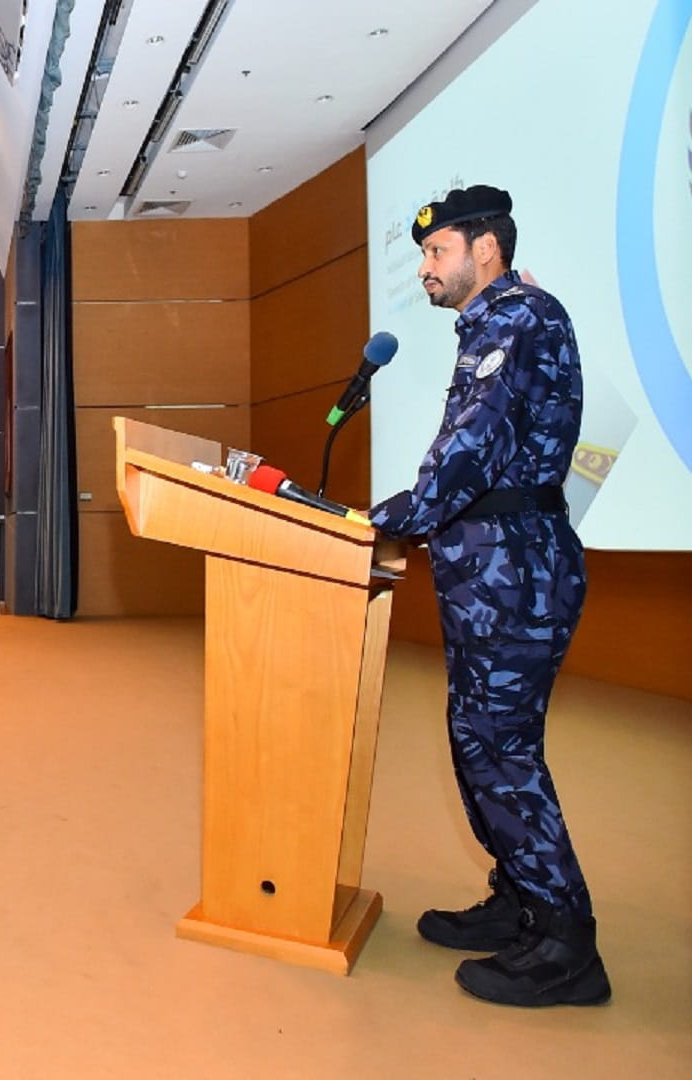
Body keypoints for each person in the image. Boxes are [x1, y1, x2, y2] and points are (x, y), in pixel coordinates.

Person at [369, 185, 605, 1009]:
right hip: (493, 573)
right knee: (481, 742)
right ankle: (522, 902)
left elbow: (470, 452)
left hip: (517, 572)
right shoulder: (496, 323)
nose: (425, 269)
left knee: (501, 750)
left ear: (486, 250)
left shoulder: (519, 319)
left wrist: (385, 519)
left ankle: (568, 943)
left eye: (437, 252)